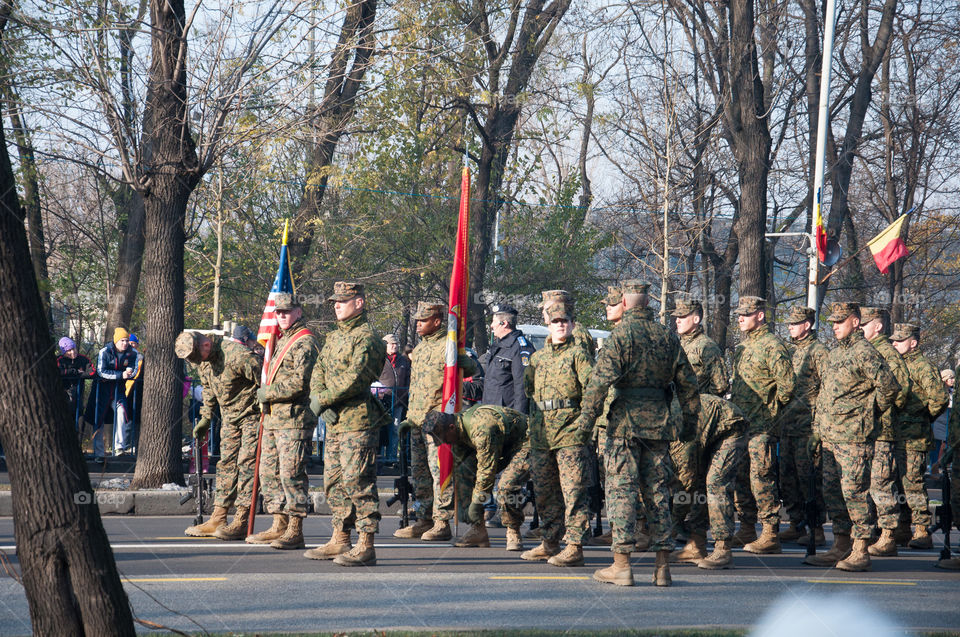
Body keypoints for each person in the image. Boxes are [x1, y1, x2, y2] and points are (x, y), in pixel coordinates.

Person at [575, 280, 700, 587]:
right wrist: (690, 425)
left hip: (625, 426)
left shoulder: (620, 336)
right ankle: (661, 567)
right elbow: (688, 385)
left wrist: (584, 425)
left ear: (627, 304)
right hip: (659, 425)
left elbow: (597, 385)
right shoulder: (668, 337)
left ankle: (622, 565)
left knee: (622, 491)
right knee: (657, 493)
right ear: (648, 303)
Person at [804, 302, 899, 571]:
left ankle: (861, 549)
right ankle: (841, 544)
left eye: (840, 321)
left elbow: (890, 387)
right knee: (833, 493)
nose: (833, 326)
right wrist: (817, 431)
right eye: (832, 321)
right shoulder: (835, 354)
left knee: (855, 493)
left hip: (855, 439)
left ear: (855, 322)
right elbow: (826, 397)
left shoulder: (863, 351)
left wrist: (867, 413)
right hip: (831, 438)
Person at [305, 282, 387, 566]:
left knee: (358, 481)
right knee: (333, 482)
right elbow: (319, 370)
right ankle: (340, 539)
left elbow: (357, 378)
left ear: (359, 303)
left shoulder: (369, 339)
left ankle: (367, 544)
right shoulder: (332, 338)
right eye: (334, 301)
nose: (336, 305)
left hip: (358, 421)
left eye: (343, 300)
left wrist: (324, 399)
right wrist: (320, 398)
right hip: (337, 422)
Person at [394, 301, 478, 541]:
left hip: (438, 423)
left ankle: (442, 522)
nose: (418, 324)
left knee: (440, 471)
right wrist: (409, 417)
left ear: (437, 321)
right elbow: (416, 387)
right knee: (420, 474)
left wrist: (461, 360)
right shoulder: (419, 350)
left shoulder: (448, 346)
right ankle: (424, 519)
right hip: (417, 421)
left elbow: (471, 367)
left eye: (423, 320)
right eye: (417, 320)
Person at [521, 300, 594, 566]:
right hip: (543, 434)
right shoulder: (538, 358)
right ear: (548, 325)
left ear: (572, 325)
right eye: (555, 322)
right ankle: (550, 542)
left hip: (570, 432)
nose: (560, 325)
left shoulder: (579, 355)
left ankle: (574, 546)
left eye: (565, 321)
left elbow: (592, 391)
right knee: (544, 491)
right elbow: (530, 392)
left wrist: (584, 425)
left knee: (573, 492)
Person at [246, 293, 319, 550]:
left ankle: (295, 528)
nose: (282, 316)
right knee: (269, 473)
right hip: (275, 419)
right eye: (278, 312)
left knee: (292, 474)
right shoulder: (280, 340)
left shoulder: (305, 342)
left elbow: (301, 382)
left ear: (299, 311)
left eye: (287, 311)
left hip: (294, 419)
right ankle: (279, 522)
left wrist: (269, 393)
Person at [175, 330, 262, 540]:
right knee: (226, 465)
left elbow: (266, 381)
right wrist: (206, 417)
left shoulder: (238, 355)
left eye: (196, 357)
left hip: (252, 416)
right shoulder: (204, 360)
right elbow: (208, 389)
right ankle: (219, 517)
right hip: (230, 418)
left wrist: (266, 408)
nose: (196, 362)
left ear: (205, 345)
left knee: (247, 465)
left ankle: (242, 519)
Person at [729, 296, 795, 554]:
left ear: (760, 315)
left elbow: (787, 387)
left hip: (763, 427)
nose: (740, 318)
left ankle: (770, 533)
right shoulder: (743, 348)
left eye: (746, 314)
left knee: (762, 478)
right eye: (739, 314)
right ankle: (746, 528)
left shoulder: (772, 345)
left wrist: (771, 411)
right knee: (741, 478)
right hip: (742, 425)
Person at [670, 293, 729, 563]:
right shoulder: (675, 345)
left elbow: (720, 386)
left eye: (682, 317)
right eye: (676, 318)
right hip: (677, 422)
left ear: (696, 319)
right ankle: (687, 533)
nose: (678, 321)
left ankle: (694, 535)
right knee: (682, 480)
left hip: (700, 422)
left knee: (694, 480)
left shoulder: (706, 347)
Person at [421, 405, 528, 548]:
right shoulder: (457, 432)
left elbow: (486, 472)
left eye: (443, 438)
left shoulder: (482, 429)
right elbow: (462, 467)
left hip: (525, 442)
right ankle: (478, 530)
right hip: (501, 445)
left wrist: (477, 503)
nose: (443, 443)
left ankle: (513, 530)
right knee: (462, 472)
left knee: (507, 485)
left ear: (451, 427)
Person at [891, 323, 949, 550]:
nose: (894, 343)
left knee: (913, 485)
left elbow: (939, 399)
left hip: (915, 437)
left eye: (900, 340)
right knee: (898, 484)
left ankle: (922, 530)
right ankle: (903, 528)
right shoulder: (899, 364)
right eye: (894, 340)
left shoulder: (923, 366)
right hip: (898, 435)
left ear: (913, 343)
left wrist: (923, 417)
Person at [859, 307, 911, 557]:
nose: (860, 328)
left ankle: (889, 536)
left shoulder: (887, 353)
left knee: (881, 484)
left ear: (877, 326)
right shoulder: (866, 350)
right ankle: (874, 533)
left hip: (883, 430)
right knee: (867, 484)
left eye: (865, 324)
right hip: (867, 430)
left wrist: (876, 409)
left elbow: (899, 391)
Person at [776, 305, 829, 546]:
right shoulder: (792, 352)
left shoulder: (819, 352)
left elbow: (828, 390)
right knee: (788, 478)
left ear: (807, 325)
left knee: (810, 479)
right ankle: (796, 524)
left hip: (808, 428)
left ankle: (816, 528)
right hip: (788, 426)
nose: (789, 327)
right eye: (788, 324)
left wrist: (819, 428)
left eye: (794, 324)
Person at [482, 304, 536, 535]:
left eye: (494, 321)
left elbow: (522, 388)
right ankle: (492, 509)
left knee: (510, 474)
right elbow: (493, 385)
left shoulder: (519, 348)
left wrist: (519, 422)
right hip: (492, 419)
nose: (491, 325)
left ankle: (511, 518)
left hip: (510, 422)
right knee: (490, 469)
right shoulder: (498, 346)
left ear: (504, 323)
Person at [687, 394, 747, 569]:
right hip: (708, 433)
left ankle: (723, 549)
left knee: (716, 483)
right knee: (697, 482)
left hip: (731, 429)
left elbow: (684, 476)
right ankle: (696, 545)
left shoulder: (677, 414)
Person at [84, 327, 139, 463]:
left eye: (126, 340)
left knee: (122, 413)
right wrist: (121, 375)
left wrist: (129, 372)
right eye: (122, 340)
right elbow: (101, 371)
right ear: (116, 341)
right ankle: (99, 453)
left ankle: (119, 448)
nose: (125, 343)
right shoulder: (105, 351)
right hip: (102, 389)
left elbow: (134, 369)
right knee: (99, 418)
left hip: (118, 390)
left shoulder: (132, 353)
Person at [56, 336, 95, 437]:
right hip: (64, 396)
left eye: (73, 349)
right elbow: (57, 372)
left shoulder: (83, 359)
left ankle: (79, 447)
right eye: (69, 350)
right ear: (64, 352)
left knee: (80, 423)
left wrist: (77, 374)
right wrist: (73, 371)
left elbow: (92, 372)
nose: (72, 352)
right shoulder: (59, 360)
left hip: (78, 397)